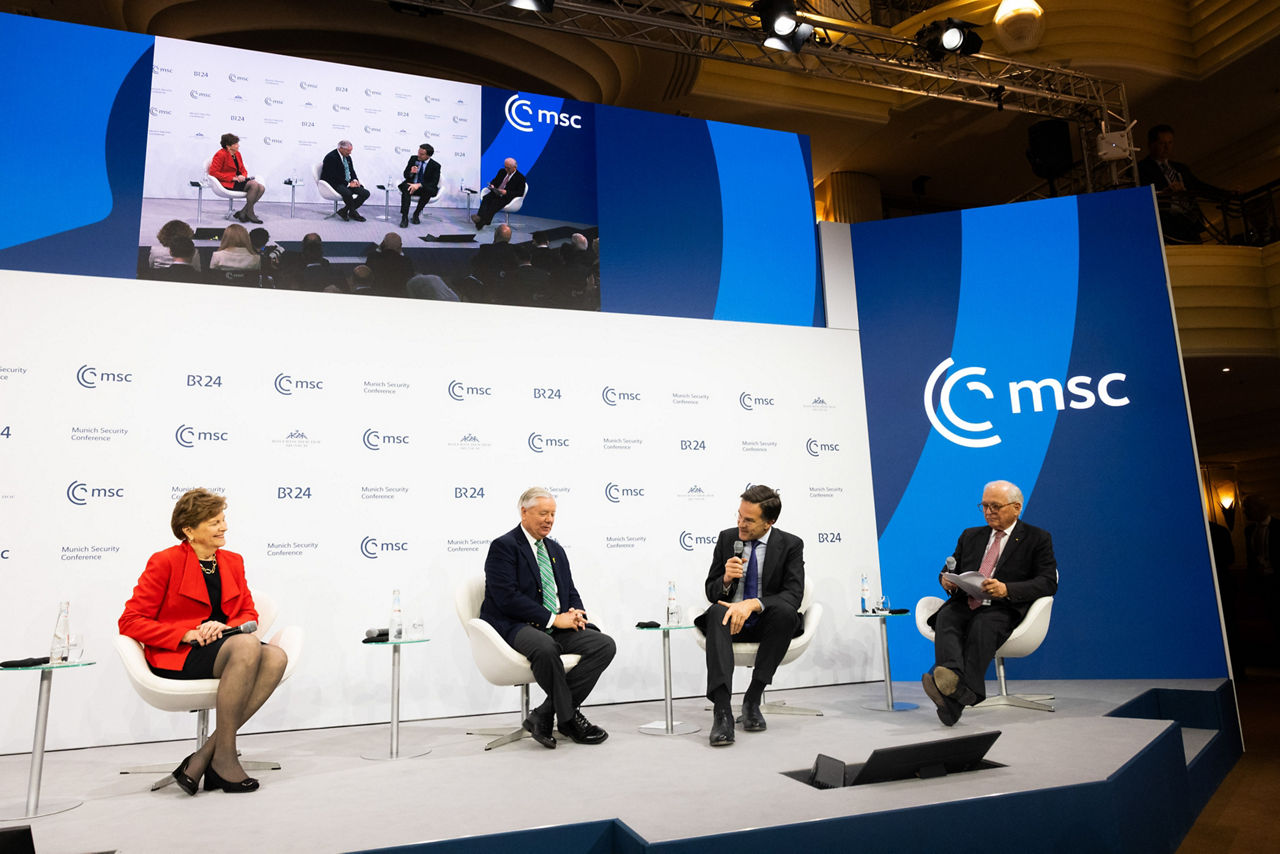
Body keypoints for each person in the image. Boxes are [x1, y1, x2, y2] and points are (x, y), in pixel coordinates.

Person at [119, 489, 287, 794]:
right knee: (249, 646)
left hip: (226, 647)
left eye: (223, 520)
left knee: (276, 657)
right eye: (213, 522)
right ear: (189, 530)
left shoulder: (233, 562)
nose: (224, 527)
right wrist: (186, 633)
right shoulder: (164, 562)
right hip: (181, 654)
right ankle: (223, 760)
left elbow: (248, 612)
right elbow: (130, 621)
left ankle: (206, 755)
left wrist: (222, 626)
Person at [480, 487, 615, 748]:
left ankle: (544, 714)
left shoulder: (555, 548)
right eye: (543, 513)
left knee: (603, 644)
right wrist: (553, 619)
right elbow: (507, 598)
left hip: (554, 625)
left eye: (552, 514)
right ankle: (568, 719)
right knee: (545, 648)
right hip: (514, 625)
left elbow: (568, 589)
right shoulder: (504, 547)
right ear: (524, 512)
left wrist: (576, 613)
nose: (549, 520)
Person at [922, 480, 1058, 726]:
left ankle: (957, 691)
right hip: (968, 600)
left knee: (983, 624)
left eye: (995, 506)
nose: (988, 512)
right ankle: (954, 681)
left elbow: (1048, 582)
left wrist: (1007, 588)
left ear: (1016, 508)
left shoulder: (1037, 538)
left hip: (1003, 606)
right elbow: (950, 568)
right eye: (984, 506)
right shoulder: (970, 535)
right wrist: (947, 581)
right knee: (947, 616)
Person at [696, 484, 805, 747]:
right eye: (739, 516)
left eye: (749, 520)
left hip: (766, 622)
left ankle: (752, 698)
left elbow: (793, 594)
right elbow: (712, 591)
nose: (741, 524)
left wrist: (753, 604)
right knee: (717, 611)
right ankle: (722, 711)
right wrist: (725, 579)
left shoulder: (790, 544)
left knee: (786, 613)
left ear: (770, 522)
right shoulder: (727, 539)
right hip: (729, 623)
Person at [1138, 124, 1231, 244]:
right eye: (1162, 143)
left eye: (1170, 143)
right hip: (1167, 228)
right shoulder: (1142, 169)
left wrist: (1226, 194)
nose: (1167, 148)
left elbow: (1199, 186)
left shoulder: (1180, 168)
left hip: (1190, 224)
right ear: (1151, 145)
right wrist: (1166, 193)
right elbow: (1143, 198)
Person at [209, 133, 265, 224]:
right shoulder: (220, 154)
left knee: (261, 188)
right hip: (228, 183)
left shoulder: (237, 154)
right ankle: (250, 213)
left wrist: (243, 175)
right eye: (235, 144)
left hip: (239, 181)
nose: (238, 145)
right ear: (228, 146)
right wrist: (233, 178)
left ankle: (243, 212)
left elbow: (243, 169)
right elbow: (213, 172)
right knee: (254, 185)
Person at [320, 139, 370, 222]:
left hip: (346, 182)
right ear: (340, 148)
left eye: (351, 151)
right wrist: (348, 184)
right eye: (348, 151)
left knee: (365, 193)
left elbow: (352, 171)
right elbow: (332, 176)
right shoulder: (331, 157)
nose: (350, 153)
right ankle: (352, 212)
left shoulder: (347, 157)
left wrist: (354, 180)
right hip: (333, 183)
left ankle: (345, 211)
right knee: (348, 193)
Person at [471, 157, 525, 229]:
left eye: (508, 168)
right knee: (486, 198)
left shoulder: (520, 177)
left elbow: (520, 192)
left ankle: (481, 222)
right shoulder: (502, 171)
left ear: (514, 167)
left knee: (494, 203)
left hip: (506, 197)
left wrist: (506, 192)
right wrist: (492, 185)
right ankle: (480, 218)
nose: (506, 169)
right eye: (505, 167)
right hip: (496, 192)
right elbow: (495, 180)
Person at [398, 143, 440, 228]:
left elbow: (434, 182)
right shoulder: (413, 159)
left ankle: (416, 214)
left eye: (421, 154)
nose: (418, 155)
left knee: (429, 190)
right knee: (407, 188)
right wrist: (411, 172)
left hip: (423, 187)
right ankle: (404, 217)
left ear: (428, 155)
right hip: (410, 184)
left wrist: (419, 185)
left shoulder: (435, 165)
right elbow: (405, 175)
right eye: (418, 152)